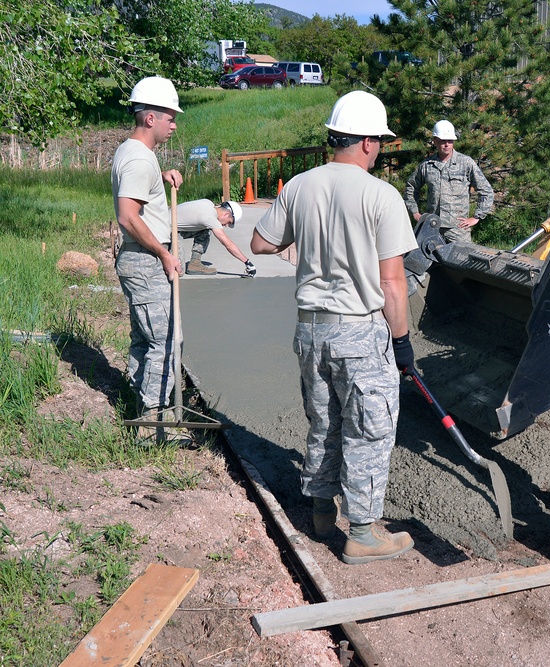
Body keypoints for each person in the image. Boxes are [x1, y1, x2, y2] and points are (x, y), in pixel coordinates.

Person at [250, 90, 418, 565]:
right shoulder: (381, 196)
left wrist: (306, 240)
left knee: (324, 422)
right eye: (379, 141)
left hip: (310, 329)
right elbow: (392, 283)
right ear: (367, 143)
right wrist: (402, 342)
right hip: (359, 332)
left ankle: (322, 512)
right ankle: (362, 533)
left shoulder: (300, 186)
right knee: (368, 428)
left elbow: (262, 243)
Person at [112, 76, 187, 443]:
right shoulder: (140, 159)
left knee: (145, 338)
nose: (174, 124)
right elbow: (128, 215)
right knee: (166, 340)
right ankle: (153, 425)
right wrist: (164, 253)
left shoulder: (135, 154)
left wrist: (161, 175)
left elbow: (138, 184)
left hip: (138, 259)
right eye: (170, 117)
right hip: (146, 258)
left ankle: (138, 401)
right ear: (149, 118)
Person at [404, 119, 494, 243]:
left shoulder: (466, 163)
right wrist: (415, 212)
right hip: (432, 226)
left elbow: (486, 191)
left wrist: (477, 217)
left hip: (458, 229)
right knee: (426, 261)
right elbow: (411, 187)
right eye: (442, 141)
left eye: (450, 141)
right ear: (435, 141)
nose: (447, 144)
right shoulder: (427, 165)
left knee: (461, 260)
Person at [176, 199, 256, 277]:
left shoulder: (207, 203)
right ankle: (167, 249)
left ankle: (195, 263)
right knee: (178, 271)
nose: (226, 225)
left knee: (206, 230)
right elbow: (227, 244)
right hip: (167, 232)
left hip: (175, 228)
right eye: (229, 222)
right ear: (226, 214)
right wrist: (247, 262)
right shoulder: (210, 218)